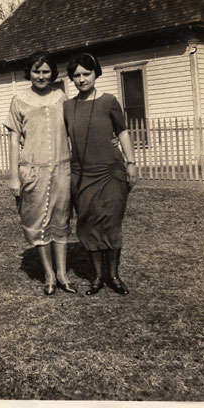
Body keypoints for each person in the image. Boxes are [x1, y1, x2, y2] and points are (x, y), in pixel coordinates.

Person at [4, 51, 77, 296]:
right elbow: (14, 141)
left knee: (61, 220)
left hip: (61, 168)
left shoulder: (61, 97)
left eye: (46, 71)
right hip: (32, 170)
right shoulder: (19, 100)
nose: (41, 76)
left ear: (52, 73)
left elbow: (71, 133)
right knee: (37, 222)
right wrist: (14, 176)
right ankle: (49, 275)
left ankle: (63, 274)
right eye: (37, 71)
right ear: (29, 73)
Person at [64, 53, 137, 296]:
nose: (82, 79)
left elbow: (123, 132)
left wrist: (131, 163)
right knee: (88, 224)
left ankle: (113, 276)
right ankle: (96, 277)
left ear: (96, 74)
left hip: (110, 172)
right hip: (81, 175)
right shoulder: (67, 106)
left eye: (87, 73)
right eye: (76, 75)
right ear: (71, 79)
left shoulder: (109, 101)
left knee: (111, 223)